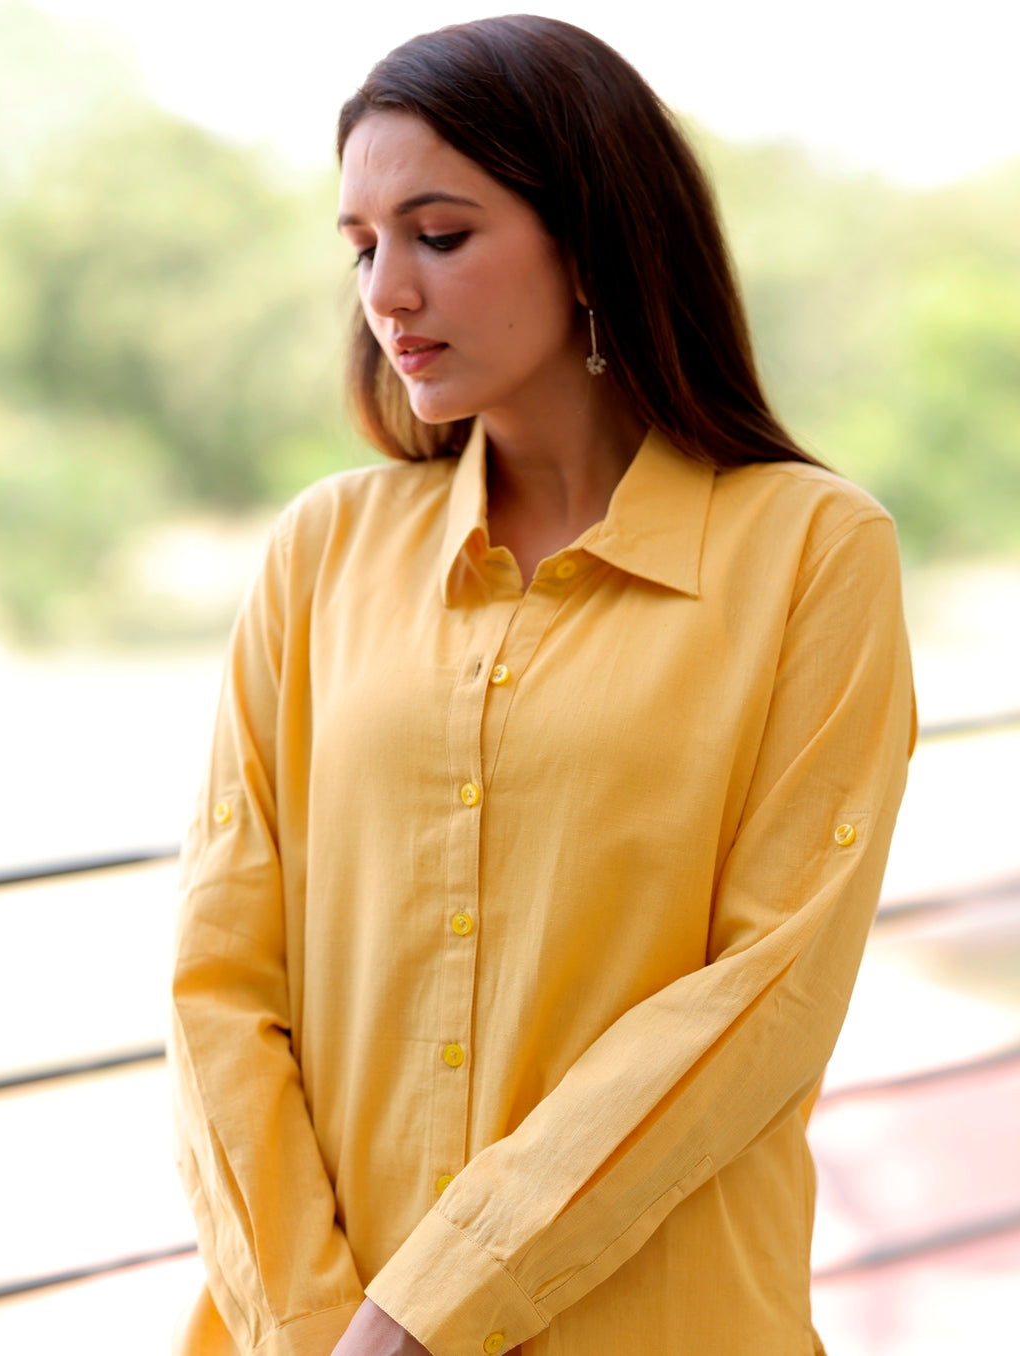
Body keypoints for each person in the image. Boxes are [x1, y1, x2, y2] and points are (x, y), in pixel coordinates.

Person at [169, 15, 915, 1356]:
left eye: (439, 235)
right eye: (361, 247)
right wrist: (311, 1326)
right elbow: (219, 980)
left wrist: (426, 1308)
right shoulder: (318, 554)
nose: (387, 290)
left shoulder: (813, 553)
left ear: (593, 240)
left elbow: (767, 992)